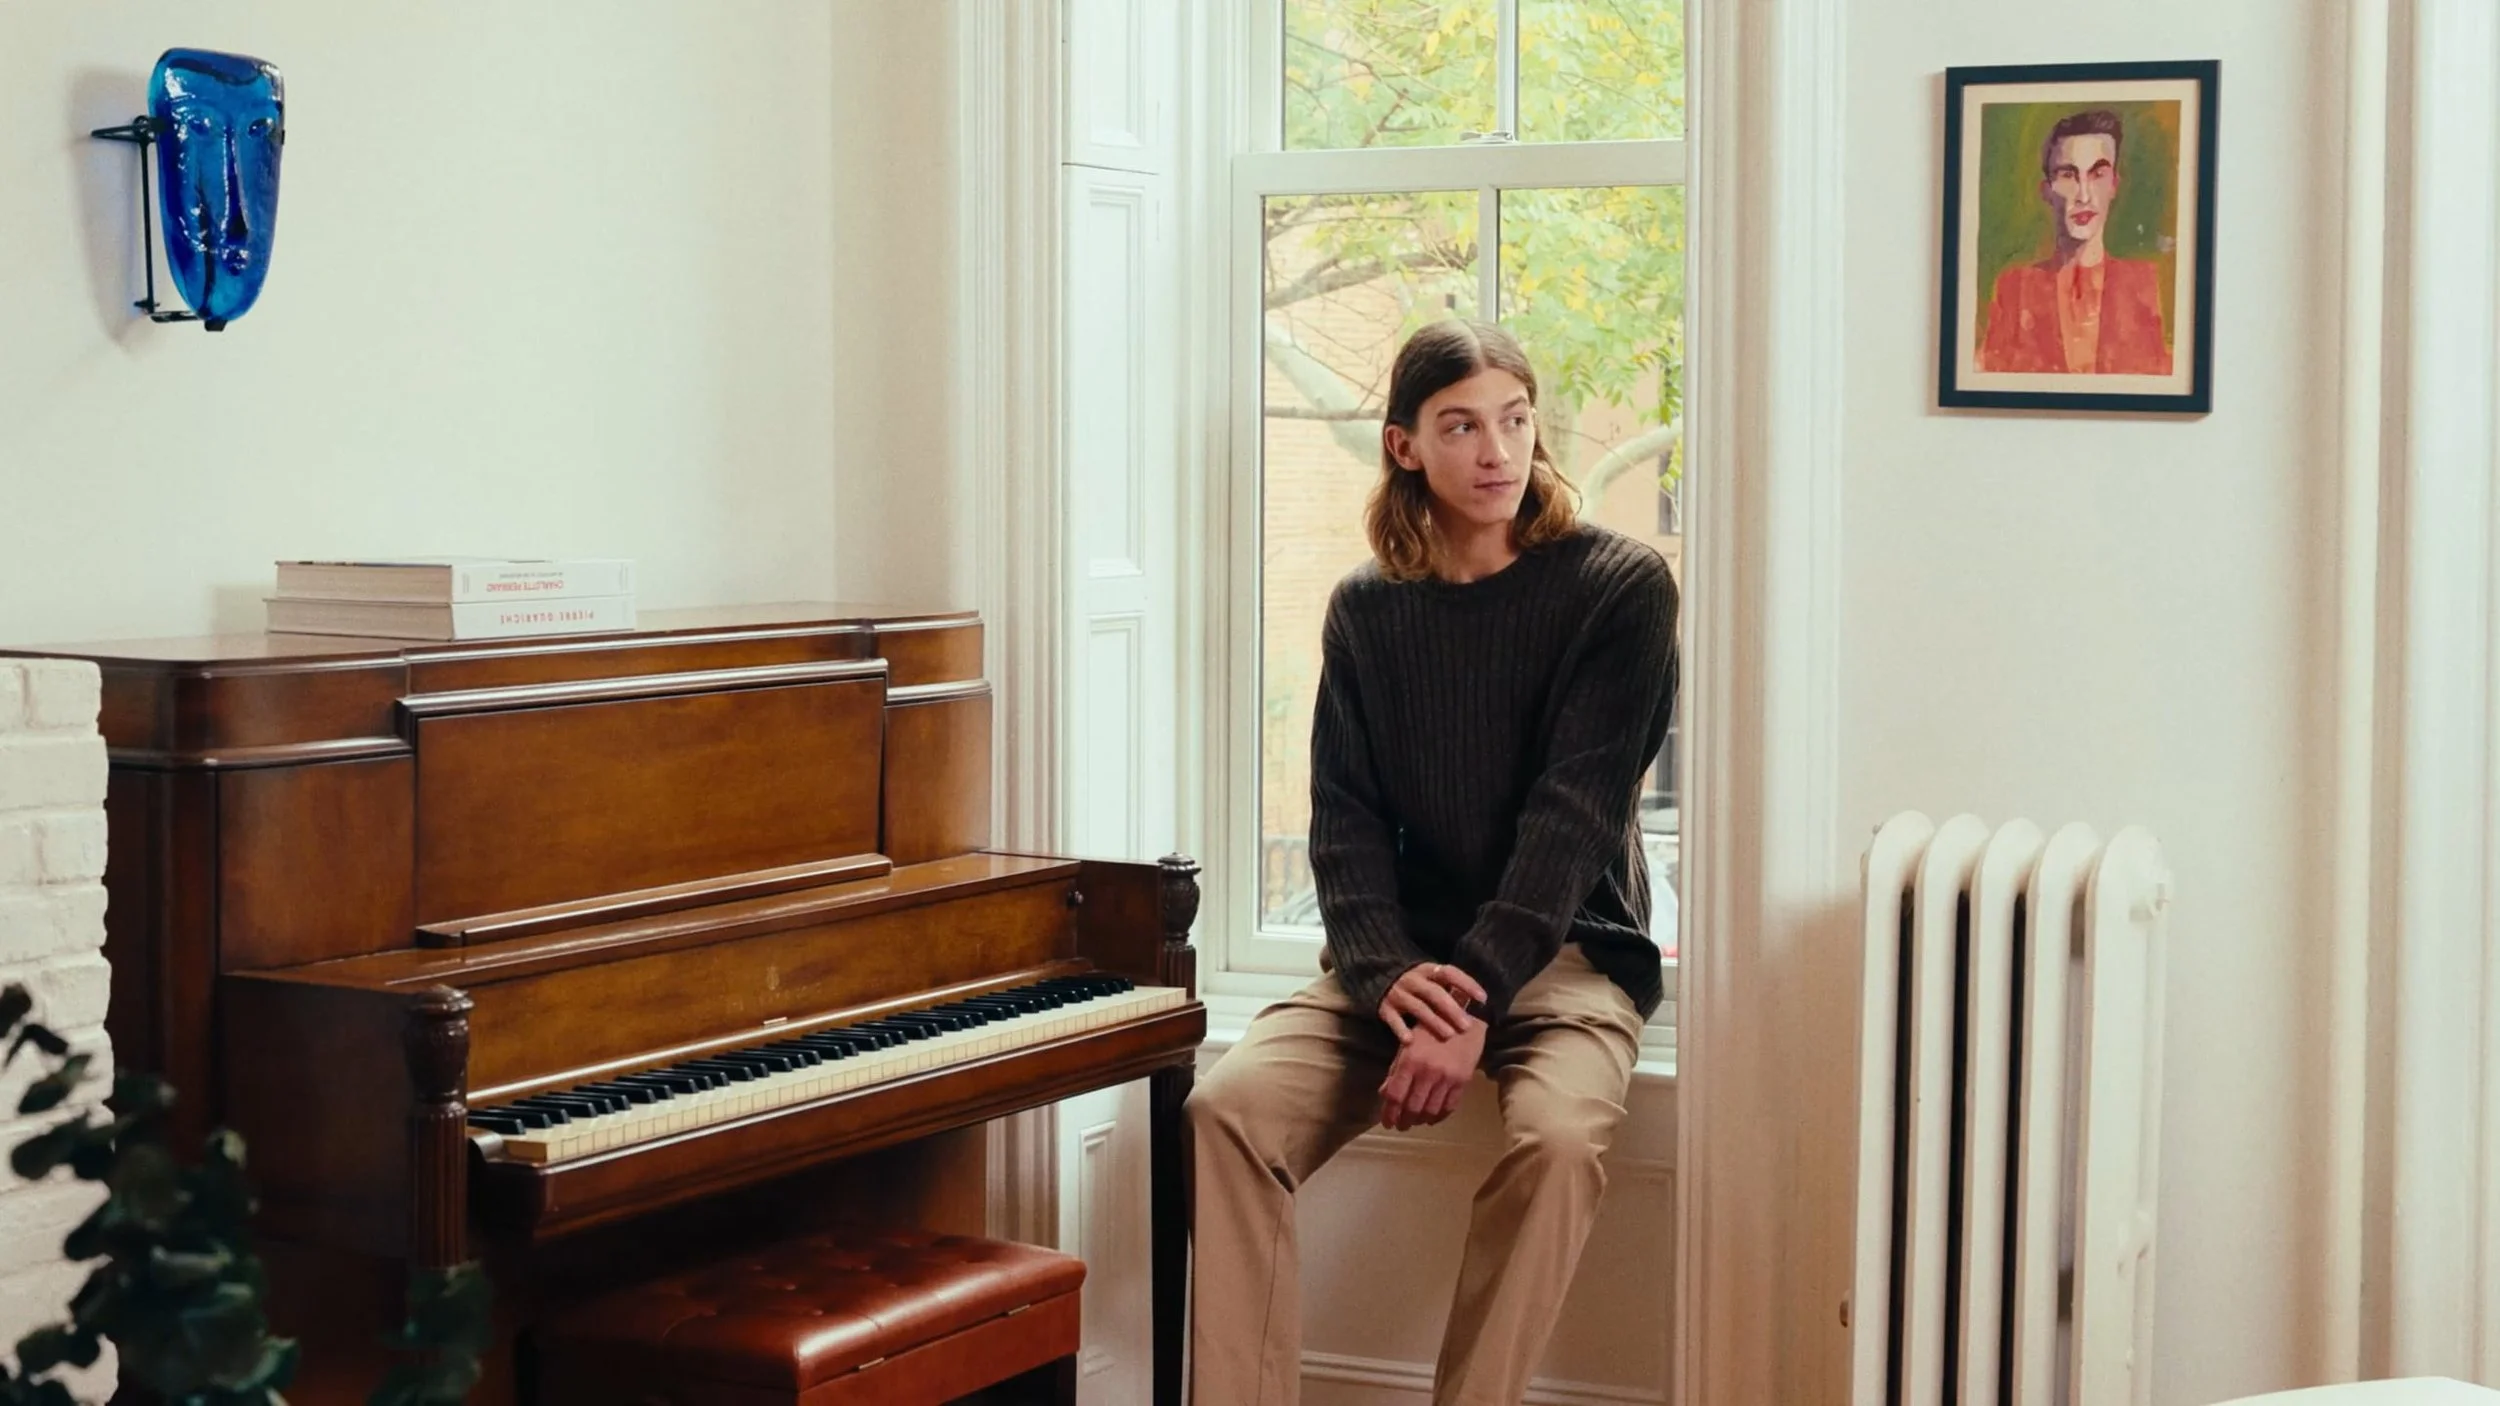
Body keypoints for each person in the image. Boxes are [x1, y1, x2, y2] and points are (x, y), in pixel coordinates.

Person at [1187, 319, 1680, 1405]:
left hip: (1563, 955)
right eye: (1460, 426)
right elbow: (1344, 821)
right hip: (1399, 964)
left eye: (1512, 419)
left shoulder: (1619, 587)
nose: (1496, 451)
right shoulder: (1368, 608)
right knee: (1228, 1108)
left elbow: (1572, 818)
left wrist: (1472, 998)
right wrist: (1389, 976)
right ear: (1405, 445)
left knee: (1555, 1141)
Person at [1977, 108, 2173, 375]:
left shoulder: (2145, 287)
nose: (2084, 195)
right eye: (2068, 175)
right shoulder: (2014, 289)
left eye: (2097, 174)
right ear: (2046, 191)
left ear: (2114, 185)